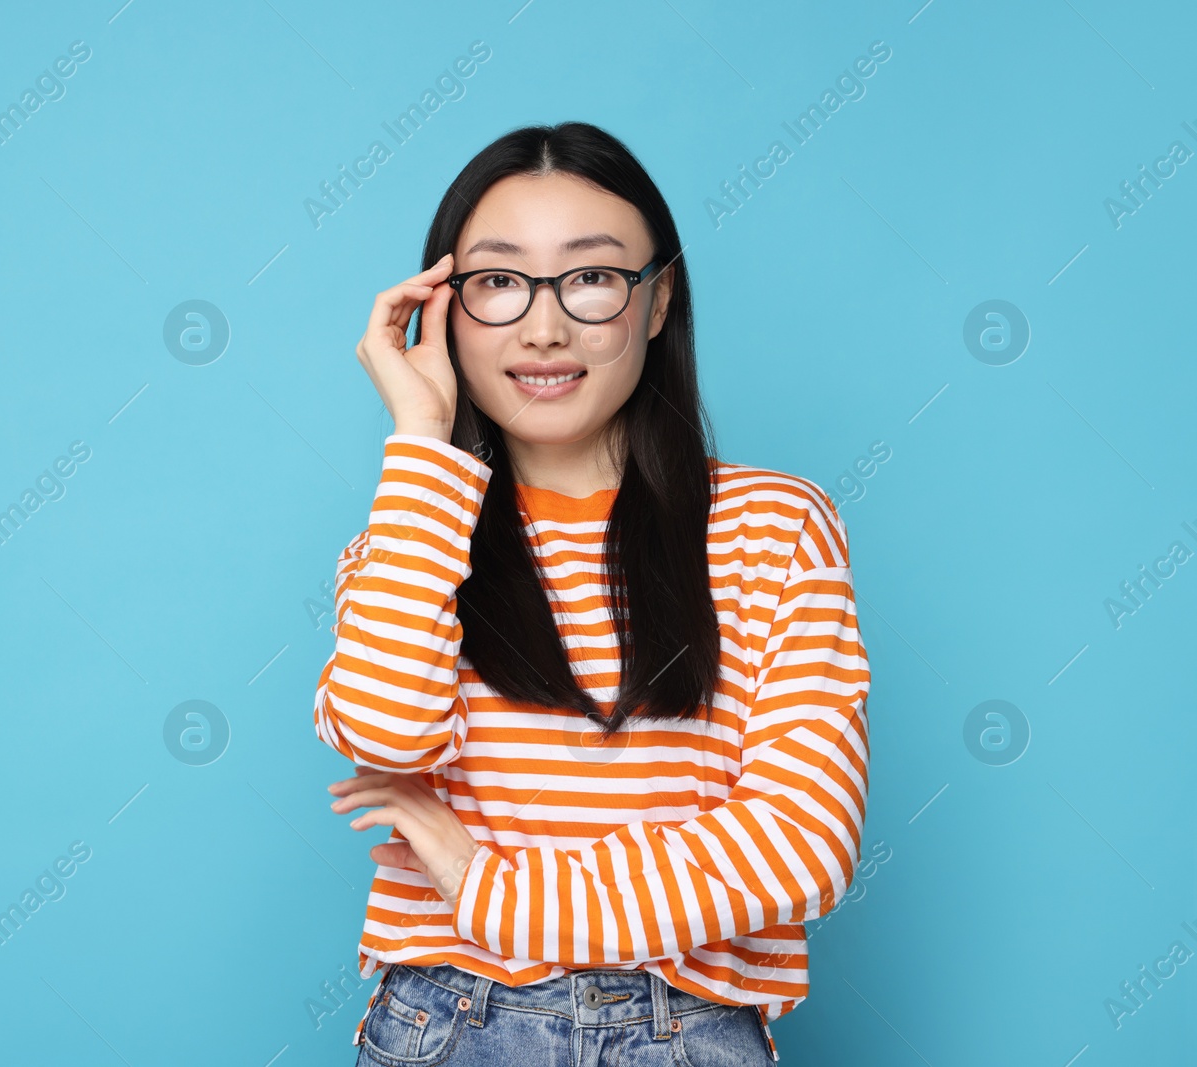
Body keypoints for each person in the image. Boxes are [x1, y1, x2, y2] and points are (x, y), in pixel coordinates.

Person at [313, 121, 871, 1065]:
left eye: (591, 277)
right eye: (496, 281)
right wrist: (419, 438)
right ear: (441, 311)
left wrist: (493, 888)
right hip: (449, 1024)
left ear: (656, 305)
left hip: (687, 1031)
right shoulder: (411, 532)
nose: (543, 327)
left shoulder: (775, 525)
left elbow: (800, 842)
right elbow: (381, 733)